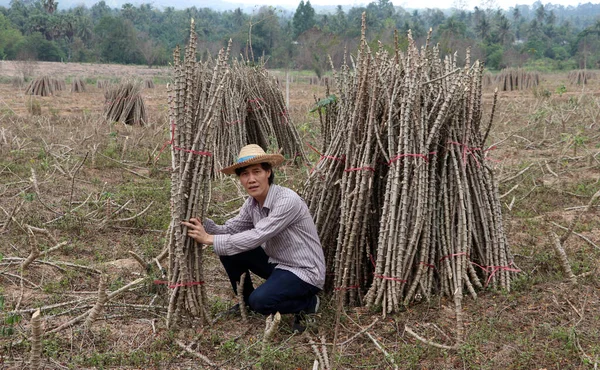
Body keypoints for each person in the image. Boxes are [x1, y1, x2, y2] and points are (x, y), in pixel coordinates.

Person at [182, 144, 325, 332]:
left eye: (256, 171)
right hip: (278, 263)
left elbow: (257, 236)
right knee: (228, 250)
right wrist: (200, 220)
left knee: (261, 302)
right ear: (240, 179)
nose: (251, 179)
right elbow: (230, 229)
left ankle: (307, 302)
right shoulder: (252, 204)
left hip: (304, 270)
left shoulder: (287, 201)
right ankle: (246, 302)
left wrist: (208, 238)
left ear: (268, 172)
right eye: (244, 174)